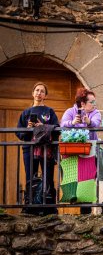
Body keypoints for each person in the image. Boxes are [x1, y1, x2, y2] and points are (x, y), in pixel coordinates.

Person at [16, 82, 59, 215]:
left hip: (46, 149)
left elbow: (57, 129)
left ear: (45, 95)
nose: (39, 93)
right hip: (29, 149)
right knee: (30, 176)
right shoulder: (26, 112)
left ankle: (49, 207)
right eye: (37, 90)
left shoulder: (49, 111)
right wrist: (29, 129)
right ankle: (30, 206)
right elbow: (19, 132)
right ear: (33, 93)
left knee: (48, 176)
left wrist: (43, 126)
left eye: (42, 91)